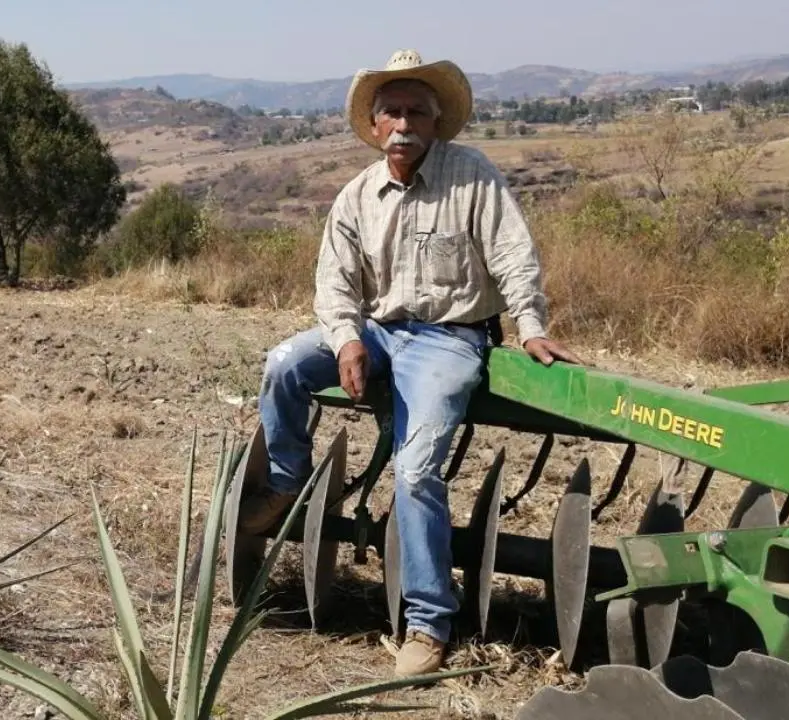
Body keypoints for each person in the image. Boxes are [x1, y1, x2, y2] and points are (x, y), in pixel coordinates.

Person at [242, 49, 582, 677]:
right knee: (284, 363)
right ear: (375, 125)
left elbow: (513, 255)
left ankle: (428, 622)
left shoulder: (472, 178)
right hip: (378, 331)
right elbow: (334, 284)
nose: (403, 124)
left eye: (416, 113)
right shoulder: (357, 196)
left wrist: (531, 326)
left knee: (417, 467)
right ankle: (287, 483)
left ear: (435, 121)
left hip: (449, 340)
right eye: (391, 112)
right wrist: (346, 340)